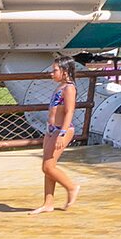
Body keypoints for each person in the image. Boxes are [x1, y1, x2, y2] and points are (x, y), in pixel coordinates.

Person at [28, 55, 81, 214]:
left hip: (61, 130)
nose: (51, 73)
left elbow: (69, 111)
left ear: (65, 71)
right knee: (48, 167)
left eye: (55, 70)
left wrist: (62, 133)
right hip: (51, 130)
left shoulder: (69, 88)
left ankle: (71, 187)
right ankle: (48, 203)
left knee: (48, 167)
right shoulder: (60, 87)